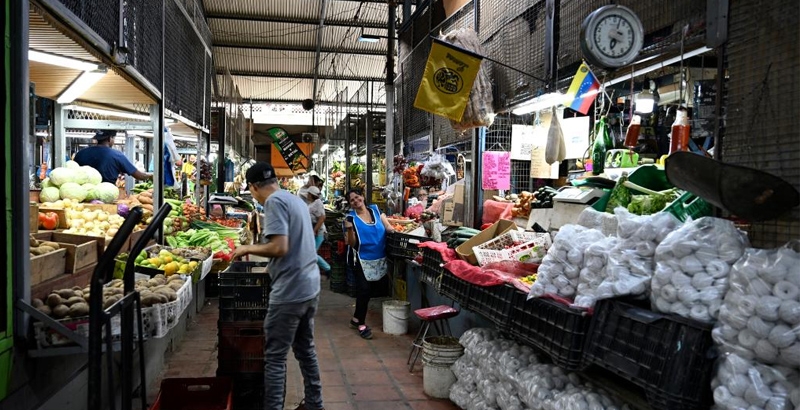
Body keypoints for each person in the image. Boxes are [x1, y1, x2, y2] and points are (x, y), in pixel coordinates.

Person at [231, 162, 324, 410]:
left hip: (290, 291)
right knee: (305, 350)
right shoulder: (294, 199)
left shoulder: (273, 203)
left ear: (253, 187)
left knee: (274, 357)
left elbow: (279, 247)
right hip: (309, 286)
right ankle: (315, 404)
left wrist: (247, 248)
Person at [343, 189, 397, 339]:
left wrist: (394, 231)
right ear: (350, 204)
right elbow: (351, 243)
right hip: (361, 259)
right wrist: (348, 229)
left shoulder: (375, 209)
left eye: (357, 197)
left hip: (379, 256)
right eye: (352, 200)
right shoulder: (350, 218)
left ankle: (355, 319)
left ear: (363, 196)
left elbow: (387, 226)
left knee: (372, 289)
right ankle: (361, 323)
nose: (356, 201)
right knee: (364, 290)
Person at [73, 130, 152, 184]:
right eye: (114, 138)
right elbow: (139, 176)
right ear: (109, 138)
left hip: (83, 196)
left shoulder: (80, 153)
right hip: (107, 195)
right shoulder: (117, 155)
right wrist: (152, 176)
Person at [300, 186, 331, 277]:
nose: (307, 196)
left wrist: (315, 230)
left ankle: (328, 269)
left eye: (308, 194)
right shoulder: (312, 203)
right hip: (313, 231)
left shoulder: (317, 203)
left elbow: (322, 218)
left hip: (318, 232)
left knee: (312, 253)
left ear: (311, 195)